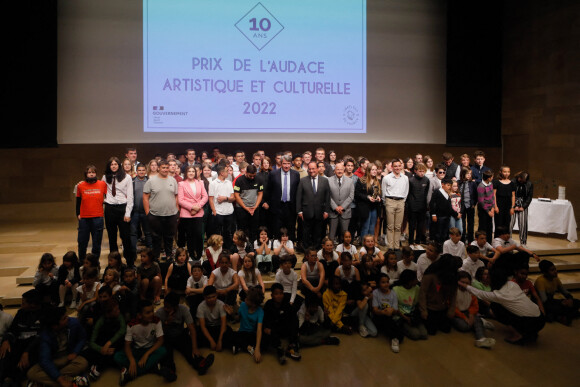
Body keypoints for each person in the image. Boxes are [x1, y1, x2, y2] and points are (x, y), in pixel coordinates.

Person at [459, 265, 545, 344]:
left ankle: (518, 335)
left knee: (496, 307)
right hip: (541, 319)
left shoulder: (499, 295)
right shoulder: (512, 284)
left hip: (532, 323)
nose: (486, 279)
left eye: (488, 277)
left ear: (494, 279)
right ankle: (530, 332)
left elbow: (480, 294)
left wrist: (462, 284)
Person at [114, 300, 172, 385]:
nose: (152, 314)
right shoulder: (131, 324)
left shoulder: (156, 321)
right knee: (117, 356)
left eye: (152, 311)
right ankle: (153, 367)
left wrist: (147, 354)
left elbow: (160, 340)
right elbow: (127, 345)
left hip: (150, 350)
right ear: (139, 315)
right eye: (148, 312)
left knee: (163, 351)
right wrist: (132, 360)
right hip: (136, 350)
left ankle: (130, 375)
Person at [27, 306, 88, 387]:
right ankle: (71, 382)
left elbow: (82, 338)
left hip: (68, 356)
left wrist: (75, 352)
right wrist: (61, 380)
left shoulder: (73, 323)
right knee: (31, 373)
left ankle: (45, 382)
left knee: (83, 363)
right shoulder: (45, 335)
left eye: (66, 316)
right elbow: (45, 360)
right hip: (54, 359)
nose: (68, 319)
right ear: (55, 326)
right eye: (64, 318)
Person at [155, 293, 214, 377]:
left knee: (188, 348)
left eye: (168, 307)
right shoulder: (159, 313)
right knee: (166, 353)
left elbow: (191, 328)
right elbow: (158, 334)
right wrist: (167, 323)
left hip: (180, 334)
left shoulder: (183, 310)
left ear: (176, 307)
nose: (165, 308)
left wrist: (195, 348)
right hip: (165, 336)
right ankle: (170, 372)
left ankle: (201, 364)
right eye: (164, 306)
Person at [0, 290, 42, 387]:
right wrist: (6, 340)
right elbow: (13, 330)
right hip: (19, 344)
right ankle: (4, 379)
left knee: (24, 361)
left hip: (35, 346)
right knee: (5, 351)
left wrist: (26, 352)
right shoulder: (21, 313)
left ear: (33, 305)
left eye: (23, 303)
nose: (21, 305)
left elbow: (41, 336)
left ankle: (15, 380)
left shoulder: (45, 314)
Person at [143, 159, 179, 260]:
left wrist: (177, 210)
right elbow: (145, 197)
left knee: (169, 238)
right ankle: (156, 258)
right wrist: (148, 213)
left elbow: (176, 196)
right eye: (163, 167)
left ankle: (169, 257)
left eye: (167, 168)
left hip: (171, 214)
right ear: (158, 168)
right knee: (156, 238)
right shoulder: (151, 181)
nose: (165, 169)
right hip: (155, 215)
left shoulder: (173, 180)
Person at [103, 157, 135, 268]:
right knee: (112, 238)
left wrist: (128, 213)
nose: (113, 166)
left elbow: (130, 197)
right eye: (111, 164)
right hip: (109, 209)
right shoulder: (104, 178)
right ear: (109, 166)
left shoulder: (127, 178)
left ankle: (130, 263)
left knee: (126, 237)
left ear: (119, 165)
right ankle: (115, 264)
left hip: (122, 209)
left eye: (115, 164)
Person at [418, 254, 462, 335]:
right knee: (432, 332)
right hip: (430, 308)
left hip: (443, 308)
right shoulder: (430, 274)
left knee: (446, 329)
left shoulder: (452, 274)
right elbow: (422, 293)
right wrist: (423, 310)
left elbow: (453, 293)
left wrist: (452, 309)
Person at [84, 299, 126, 381]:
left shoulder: (120, 316)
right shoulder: (100, 321)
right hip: (104, 345)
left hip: (113, 344)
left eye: (118, 308)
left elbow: (123, 330)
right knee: (93, 350)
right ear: (108, 313)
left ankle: (98, 367)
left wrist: (109, 343)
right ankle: (99, 366)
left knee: (121, 340)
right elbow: (92, 342)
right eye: (116, 310)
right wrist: (102, 350)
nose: (119, 311)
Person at [453, 271, 496, 348]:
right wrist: (464, 317)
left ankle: (481, 339)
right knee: (464, 326)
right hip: (457, 314)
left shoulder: (471, 291)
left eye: (467, 283)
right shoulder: (453, 291)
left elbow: (474, 305)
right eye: (462, 282)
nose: (464, 285)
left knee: (475, 320)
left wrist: (471, 314)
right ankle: (482, 322)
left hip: (468, 312)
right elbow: (452, 308)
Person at [262, 283, 301, 364]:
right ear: (272, 295)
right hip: (273, 330)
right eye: (276, 294)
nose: (279, 296)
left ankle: (291, 346)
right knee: (266, 333)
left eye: (281, 293)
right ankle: (279, 350)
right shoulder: (268, 305)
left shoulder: (287, 304)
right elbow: (265, 320)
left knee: (294, 321)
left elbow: (293, 319)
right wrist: (267, 329)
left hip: (284, 329)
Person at [76, 165, 107, 263]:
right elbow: (78, 201)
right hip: (84, 218)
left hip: (98, 218)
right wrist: (78, 214)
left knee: (97, 243)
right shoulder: (80, 186)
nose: (91, 174)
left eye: (93, 172)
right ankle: (82, 262)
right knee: (82, 243)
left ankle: (94, 263)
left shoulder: (102, 184)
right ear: (86, 174)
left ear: (96, 174)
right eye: (89, 172)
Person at [296, 161, 331, 249]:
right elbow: (298, 197)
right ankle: (307, 253)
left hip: (320, 213)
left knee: (318, 234)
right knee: (306, 235)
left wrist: (327, 211)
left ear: (317, 169)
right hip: (306, 213)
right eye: (309, 169)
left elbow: (327, 197)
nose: (311, 171)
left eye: (313, 168)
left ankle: (317, 252)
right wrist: (299, 211)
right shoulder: (303, 181)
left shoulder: (325, 180)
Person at [265, 155, 300, 241]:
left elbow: (298, 191)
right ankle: (277, 247)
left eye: (288, 163)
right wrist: (267, 202)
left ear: (291, 164)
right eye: (284, 163)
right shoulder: (273, 174)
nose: (286, 166)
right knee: (277, 228)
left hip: (291, 206)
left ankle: (290, 247)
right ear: (281, 163)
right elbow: (268, 190)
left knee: (291, 228)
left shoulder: (296, 174)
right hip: (277, 206)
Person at [535, 260, 580, 325]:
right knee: (555, 309)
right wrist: (562, 303)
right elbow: (544, 301)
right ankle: (561, 316)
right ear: (545, 273)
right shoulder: (540, 281)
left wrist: (570, 299)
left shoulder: (555, 278)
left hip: (552, 302)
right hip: (543, 305)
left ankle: (561, 316)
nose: (555, 272)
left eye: (555, 269)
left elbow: (564, 291)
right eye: (552, 270)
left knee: (577, 302)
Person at [178, 166, 208, 261]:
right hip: (187, 213)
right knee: (190, 235)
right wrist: (192, 207)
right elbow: (180, 200)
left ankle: (199, 255)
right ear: (186, 173)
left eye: (193, 171)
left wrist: (198, 207)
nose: (191, 173)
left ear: (195, 173)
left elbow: (205, 196)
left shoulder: (200, 182)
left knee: (199, 234)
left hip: (198, 211)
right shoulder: (181, 184)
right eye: (189, 171)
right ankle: (191, 255)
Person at [371, 274, 404, 353]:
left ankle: (395, 336)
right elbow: (375, 310)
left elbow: (396, 310)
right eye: (383, 282)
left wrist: (391, 310)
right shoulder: (376, 292)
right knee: (386, 318)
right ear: (379, 284)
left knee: (390, 319)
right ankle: (394, 338)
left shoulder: (393, 293)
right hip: (378, 316)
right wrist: (383, 312)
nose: (386, 284)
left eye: (387, 282)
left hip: (391, 316)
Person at [196, 286, 233, 352]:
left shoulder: (221, 304)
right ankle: (216, 343)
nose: (212, 299)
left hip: (218, 327)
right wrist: (211, 341)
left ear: (217, 295)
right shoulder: (200, 307)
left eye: (214, 296)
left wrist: (220, 341)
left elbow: (223, 324)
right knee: (196, 335)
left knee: (229, 331)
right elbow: (203, 327)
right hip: (208, 328)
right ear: (204, 298)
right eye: (209, 298)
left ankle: (218, 343)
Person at [392, 269, 427, 340]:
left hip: (412, 315)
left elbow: (417, 303)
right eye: (415, 279)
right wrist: (406, 318)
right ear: (409, 281)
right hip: (401, 316)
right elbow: (395, 308)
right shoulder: (396, 290)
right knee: (416, 335)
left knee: (424, 335)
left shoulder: (416, 288)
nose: (417, 281)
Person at [382, 159, 409, 250]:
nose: (397, 168)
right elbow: (383, 192)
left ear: (401, 166)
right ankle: (390, 246)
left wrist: (403, 200)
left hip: (401, 202)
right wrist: (386, 202)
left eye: (399, 166)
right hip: (390, 201)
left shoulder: (405, 178)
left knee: (398, 226)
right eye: (395, 166)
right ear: (392, 167)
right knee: (390, 226)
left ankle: (396, 246)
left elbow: (406, 191)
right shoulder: (387, 178)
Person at [232, 287, 264, 363]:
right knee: (229, 333)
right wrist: (232, 314)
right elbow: (238, 319)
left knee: (265, 339)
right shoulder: (243, 305)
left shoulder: (260, 311)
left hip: (253, 334)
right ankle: (248, 347)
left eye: (247, 298)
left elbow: (259, 330)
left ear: (253, 303)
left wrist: (257, 349)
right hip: (242, 333)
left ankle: (242, 346)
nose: (245, 299)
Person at [208, 165, 236, 251]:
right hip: (218, 212)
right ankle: (217, 249)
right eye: (227, 171)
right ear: (221, 173)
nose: (228, 173)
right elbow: (211, 199)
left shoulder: (229, 183)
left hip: (229, 212)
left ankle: (227, 249)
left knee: (228, 232)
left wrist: (225, 198)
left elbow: (233, 198)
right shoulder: (213, 184)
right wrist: (214, 212)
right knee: (217, 232)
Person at [234, 165, 264, 243]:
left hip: (254, 208)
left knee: (254, 230)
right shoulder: (239, 180)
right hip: (242, 209)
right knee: (242, 230)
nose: (252, 178)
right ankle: (242, 246)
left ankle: (253, 248)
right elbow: (236, 195)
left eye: (254, 176)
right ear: (246, 172)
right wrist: (245, 207)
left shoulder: (259, 179)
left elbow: (260, 194)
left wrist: (255, 207)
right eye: (250, 176)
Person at [327, 162, 355, 243]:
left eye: (341, 169)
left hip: (345, 212)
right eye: (337, 169)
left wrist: (342, 207)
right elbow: (327, 196)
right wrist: (335, 207)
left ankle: (343, 253)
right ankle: (330, 253)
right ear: (334, 170)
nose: (339, 171)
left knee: (344, 236)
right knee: (331, 236)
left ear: (344, 170)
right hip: (333, 212)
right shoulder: (328, 180)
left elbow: (351, 196)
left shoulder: (350, 181)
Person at [356, 163, 382, 242]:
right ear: (368, 171)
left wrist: (378, 197)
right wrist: (367, 197)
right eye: (372, 170)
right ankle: (364, 245)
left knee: (372, 226)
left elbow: (379, 193)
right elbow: (357, 194)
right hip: (365, 207)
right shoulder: (361, 180)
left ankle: (371, 244)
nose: (375, 171)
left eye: (375, 169)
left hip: (374, 207)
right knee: (365, 226)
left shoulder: (377, 181)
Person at [407, 163, 430, 249]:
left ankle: (417, 242)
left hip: (422, 206)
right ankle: (410, 242)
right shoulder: (411, 180)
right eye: (420, 171)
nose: (422, 173)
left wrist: (426, 205)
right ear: (415, 171)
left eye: (423, 171)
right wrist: (409, 204)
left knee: (420, 225)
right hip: (412, 206)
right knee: (412, 225)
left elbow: (426, 193)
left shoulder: (427, 180)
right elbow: (408, 193)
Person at [430, 178, 457, 244]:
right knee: (438, 232)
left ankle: (443, 246)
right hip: (439, 216)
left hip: (447, 216)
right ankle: (438, 246)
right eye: (448, 185)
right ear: (442, 184)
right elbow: (432, 203)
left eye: (450, 185)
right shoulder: (437, 191)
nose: (449, 187)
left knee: (445, 233)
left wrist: (454, 214)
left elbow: (449, 207)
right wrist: (433, 214)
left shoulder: (447, 194)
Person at [510, 170, 534, 246]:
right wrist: (513, 206)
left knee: (523, 225)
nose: (522, 181)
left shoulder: (529, 184)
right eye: (521, 179)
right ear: (519, 177)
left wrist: (523, 207)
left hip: (523, 205)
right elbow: (510, 195)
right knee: (510, 224)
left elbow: (529, 197)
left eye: (524, 180)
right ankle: (508, 241)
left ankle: (523, 243)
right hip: (512, 204)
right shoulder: (512, 182)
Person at [493, 165, 516, 230]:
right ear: (500, 172)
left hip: (508, 206)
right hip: (499, 206)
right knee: (498, 224)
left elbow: (513, 196)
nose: (507, 173)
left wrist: (512, 207)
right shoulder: (496, 182)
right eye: (505, 172)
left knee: (507, 224)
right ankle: (497, 239)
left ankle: (505, 239)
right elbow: (493, 195)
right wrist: (495, 206)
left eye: (508, 172)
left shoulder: (512, 183)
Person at [458, 167, 477, 243]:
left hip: (470, 205)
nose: (469, 175)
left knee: (471, 223)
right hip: (461, 207)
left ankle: (470, 240)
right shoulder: (459, 182)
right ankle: (462, 239)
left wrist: (474, 204)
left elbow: (476, 195)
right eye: (467, 174)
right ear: (463, 174)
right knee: (462, 223)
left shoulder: (473, 183)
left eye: (470, 174)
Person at [477, 169, 495, 241]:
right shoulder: (481, 186)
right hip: (484, 210)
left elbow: (492, 196)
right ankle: (481, 242)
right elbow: (481, 201)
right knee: (483, 227)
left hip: (490, 209)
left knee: (489, 227)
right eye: (492, 177)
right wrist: (488, 211)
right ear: (488, 178)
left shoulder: (491, 184)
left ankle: (489, 243)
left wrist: (493, 208)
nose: (492, 178)